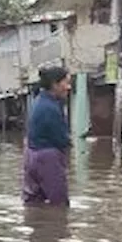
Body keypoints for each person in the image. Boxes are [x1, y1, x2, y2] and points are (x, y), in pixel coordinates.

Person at [23, 66, 72, 207]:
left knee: (33, 203)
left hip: (32, 154)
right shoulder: (50, 108)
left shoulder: (39, 101)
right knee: (60, 205)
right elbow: (61, 139)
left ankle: (38, 226)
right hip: (48, 158)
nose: (68, 87)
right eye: (66, 83)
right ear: (55, 85)